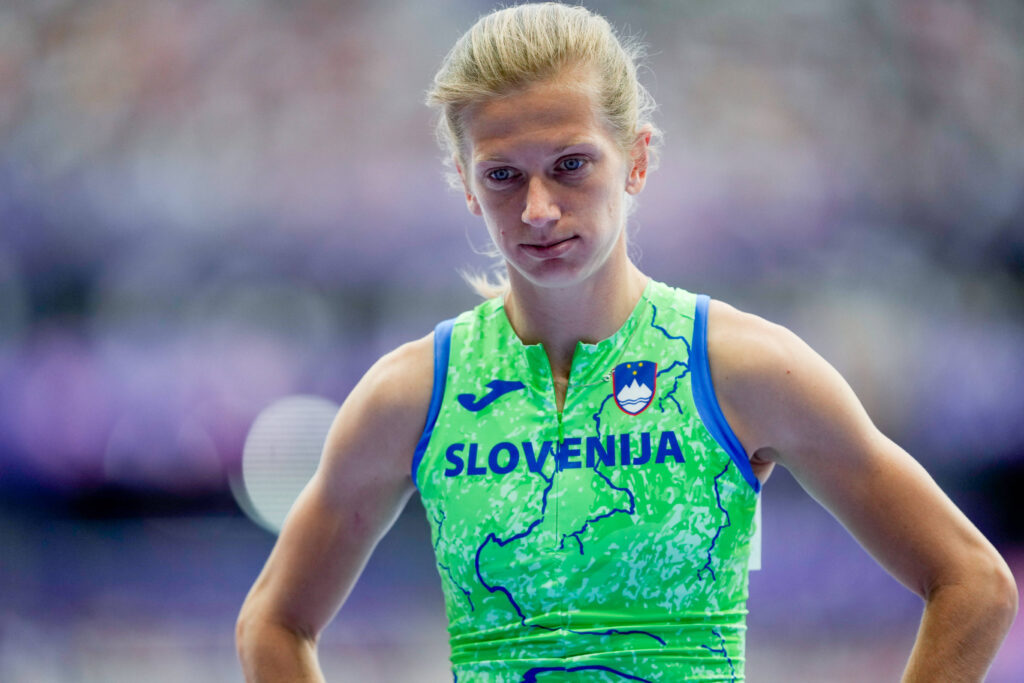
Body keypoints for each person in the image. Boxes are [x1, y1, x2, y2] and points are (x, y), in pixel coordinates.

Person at [235, 4, 1017, 681]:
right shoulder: (410, 395)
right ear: (468, 186)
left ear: (637, 160)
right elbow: (271, 622)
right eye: (503, 176)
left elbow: (974, 581)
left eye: (570, 165)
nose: (539, 210)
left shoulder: (741, 367)